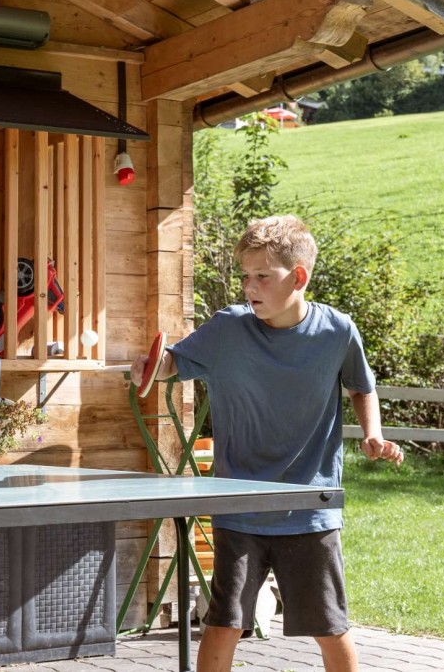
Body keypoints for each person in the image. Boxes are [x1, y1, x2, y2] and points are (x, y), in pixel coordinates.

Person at [132, 214, 403, 672]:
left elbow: (362, 387)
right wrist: (150, 368)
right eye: (245, 276)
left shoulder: (337, 332)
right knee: (224, 624)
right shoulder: (228, 329)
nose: (249, 287)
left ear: (299, 277)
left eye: (262, 276)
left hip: (309, 507)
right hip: (239, 505)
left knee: (330, 627)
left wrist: (373, 434)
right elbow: (172, 364)